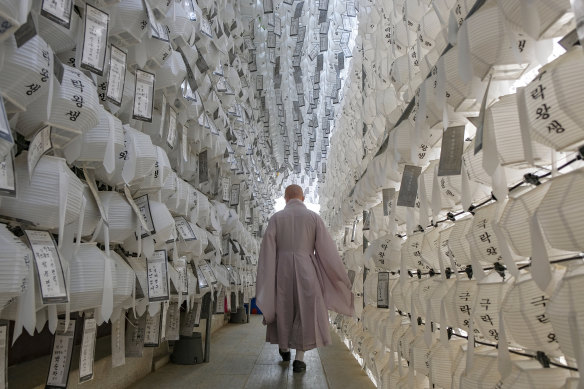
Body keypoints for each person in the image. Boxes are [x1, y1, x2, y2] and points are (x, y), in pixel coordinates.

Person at [256, 184, 354, 372]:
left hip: (281, 269)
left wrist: (266, 275)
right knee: (305, 310)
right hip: (307, 269)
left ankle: (284, 347)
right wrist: (341, 276)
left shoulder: (276, 218)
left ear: (286, 198)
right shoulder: (313, 218)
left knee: (283, 307)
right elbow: (327, 250)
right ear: (303, 198)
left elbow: (267, 250)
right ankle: (299, 358)